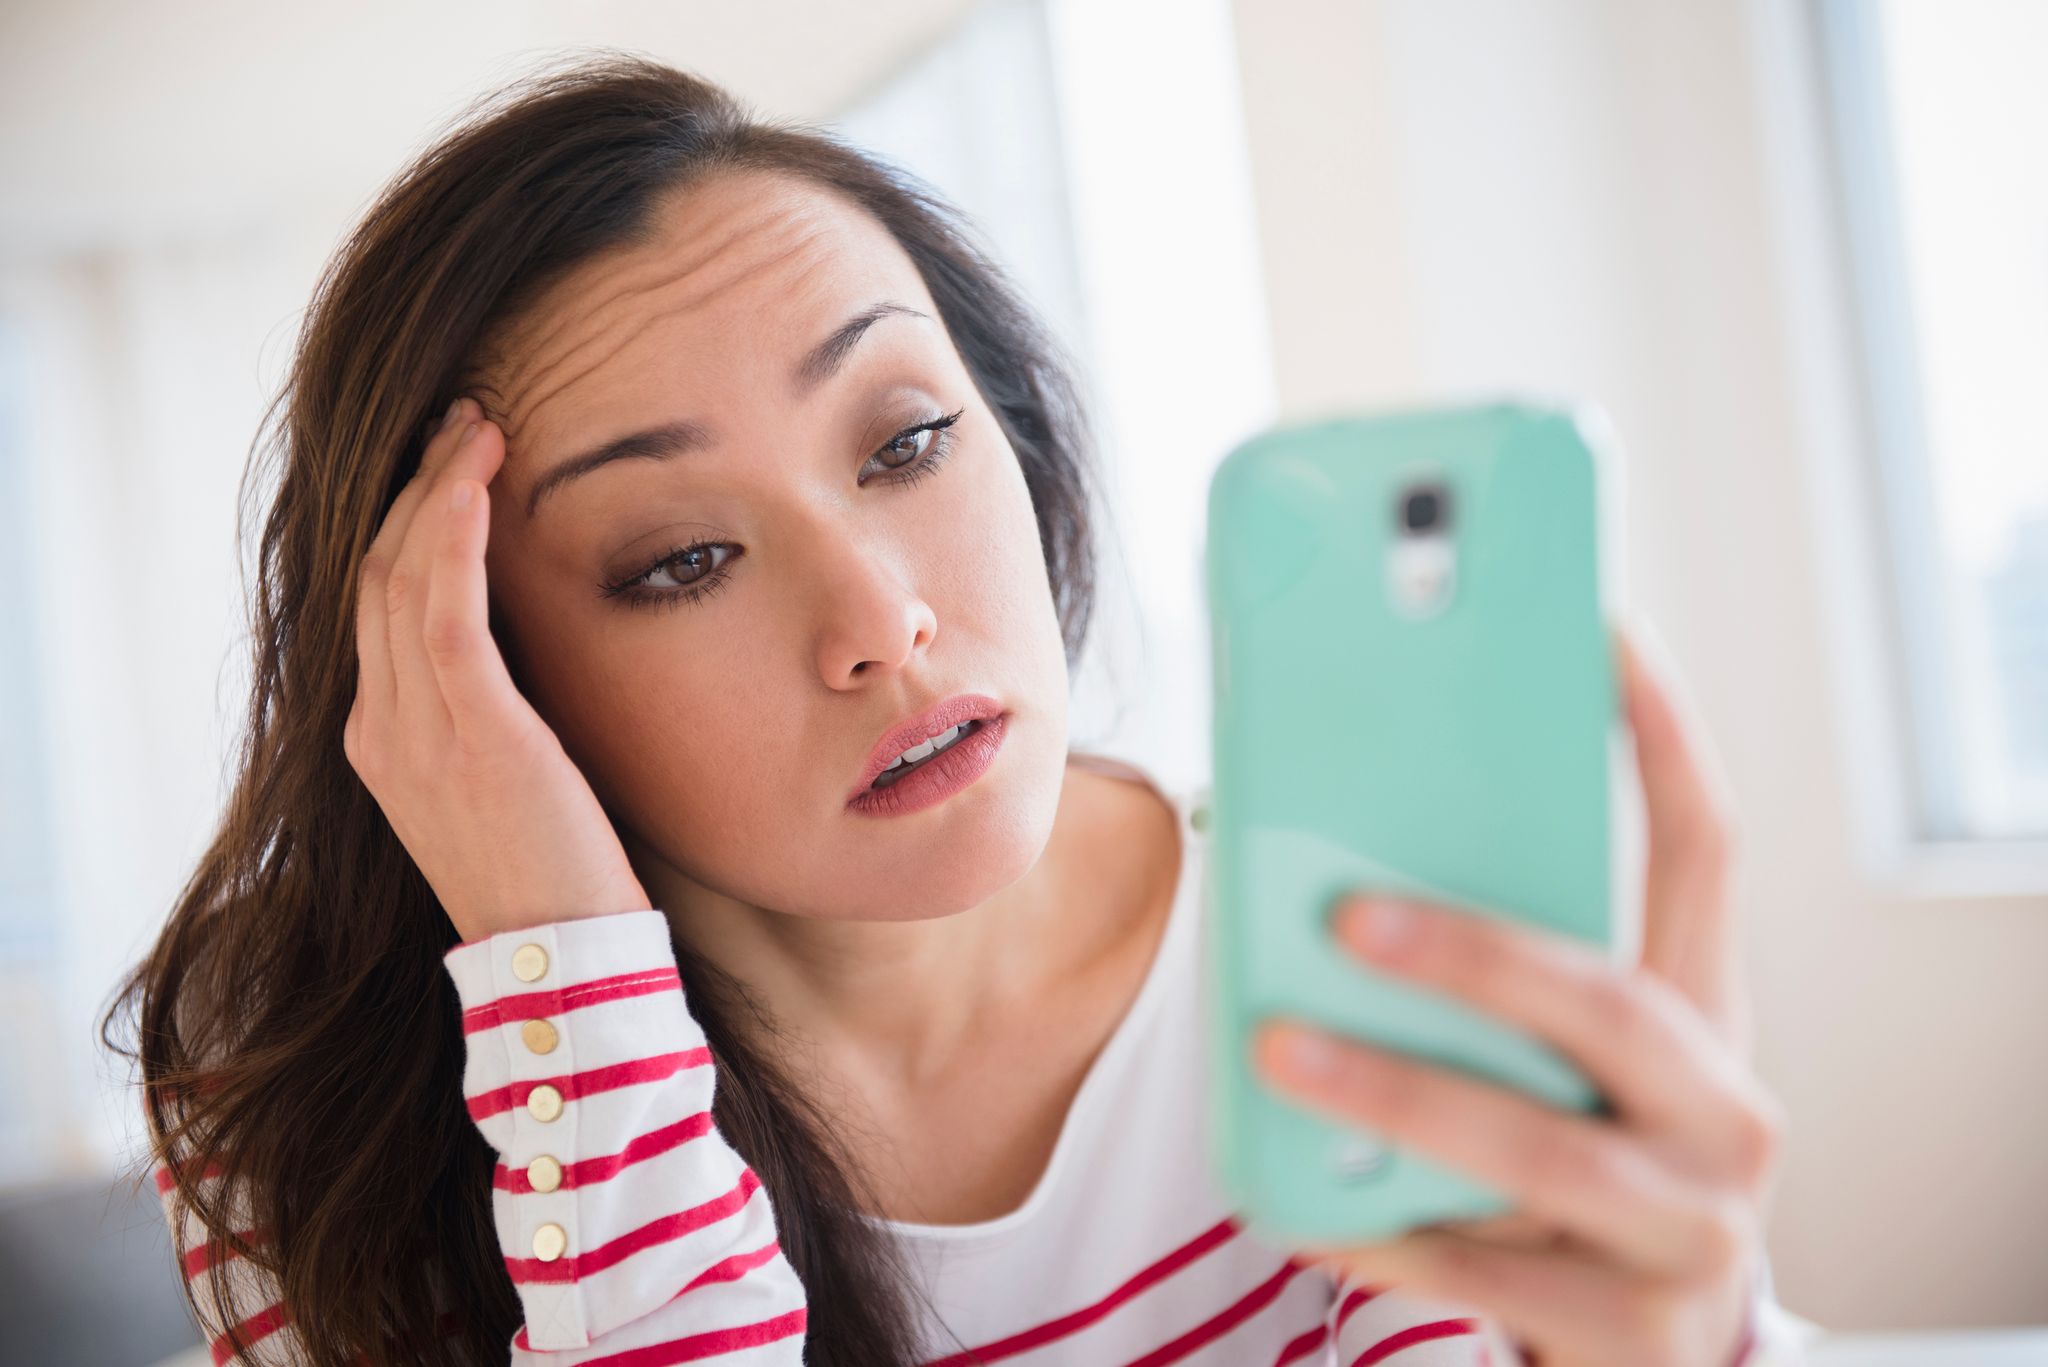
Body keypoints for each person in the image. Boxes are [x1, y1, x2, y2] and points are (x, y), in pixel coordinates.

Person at [103, 52, 1814, 1366]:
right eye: (685, 558)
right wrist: (563, 993)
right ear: (476, 674)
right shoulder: (314, 1138)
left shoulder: (1361, 992)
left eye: (908, 442)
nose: (880, 619)